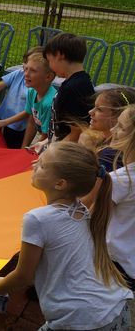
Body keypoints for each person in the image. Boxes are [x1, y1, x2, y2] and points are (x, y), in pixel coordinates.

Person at [0, 142, 132, 330]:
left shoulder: (38, 219)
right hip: (116, 307)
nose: (34, 164)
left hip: (82, 319)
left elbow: (23, 276)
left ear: (60, 184)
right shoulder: (80, 211)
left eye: (41, 165)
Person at [0, 48, 55, 149]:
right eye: (26, 68)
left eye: (33, 70)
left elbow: (46, 136)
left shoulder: (49, 103)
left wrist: (31, 150)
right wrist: (24, 148)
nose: (26, 74)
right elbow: (31, 121)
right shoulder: (32, 91)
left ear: (48, 77)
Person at [108, 105, 135, 323]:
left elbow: (91, 214)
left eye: (120, 126)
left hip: (114, 261)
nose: (113, 130)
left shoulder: (120, 179)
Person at [44, 32, 95, 143]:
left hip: (64, 149)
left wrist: (52, 150)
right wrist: (44, 142)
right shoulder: (80, 81)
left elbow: (76, 132)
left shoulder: (73, 88)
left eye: (50, 61)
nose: (50, 66)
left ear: (59, 55)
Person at [80, 89, 135, 171]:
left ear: (119, 115)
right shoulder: (101, 142)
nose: (90, 112)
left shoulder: (110, 156)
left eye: (99, 109)